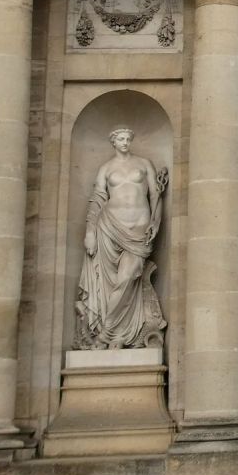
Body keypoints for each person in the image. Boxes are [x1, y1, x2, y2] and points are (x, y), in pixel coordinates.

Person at [74, 126, 169, 350]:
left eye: (128, 138)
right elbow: (97, 201)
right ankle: (116, 334)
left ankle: (105, 334)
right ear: (113, 142)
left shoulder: (144, 163)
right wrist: (90, 232)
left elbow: (155, 194)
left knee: (127, 277)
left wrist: (156, 222)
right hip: (109, 226)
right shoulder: (106, 169)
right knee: (112, 283)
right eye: (121, 139)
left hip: (138, 229)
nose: (125, 142)